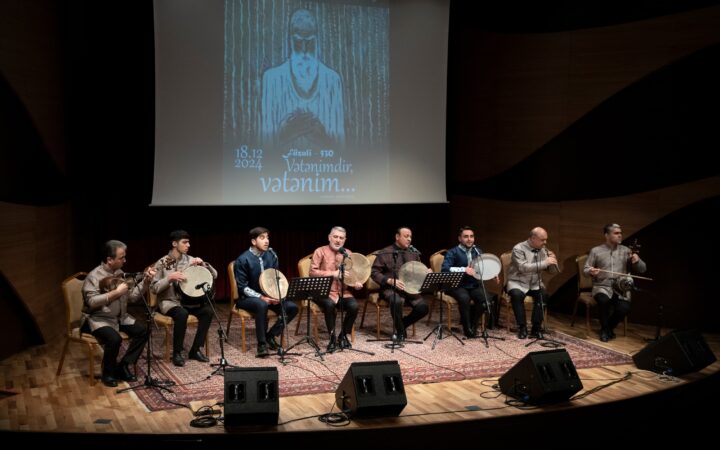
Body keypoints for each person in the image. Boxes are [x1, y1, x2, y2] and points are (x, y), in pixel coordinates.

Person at [261, 8, 345, 150]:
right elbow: (264, 148)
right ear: (290, 40)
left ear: (317, 40)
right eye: (299, 43)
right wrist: (287, 132)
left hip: (325, 171)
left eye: (310, 43)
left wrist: (321, 137)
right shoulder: (271, 80)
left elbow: (342, 151)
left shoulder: (333, 81)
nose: (305, 50)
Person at [81, 240, 154, 387]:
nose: (125, 260)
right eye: (121, 258)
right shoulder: (94, 276)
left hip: (120, 318)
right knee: (114, 339)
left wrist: (145, 282)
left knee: (143, 331)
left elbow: (132, 297)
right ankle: (108, 373)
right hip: (98, 319)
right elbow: (92, 302)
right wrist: (116, 292)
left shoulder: (120, 274)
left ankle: (123, 366)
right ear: (109, 259)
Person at [150, 230, 215, 367]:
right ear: (174, 243)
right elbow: (154, 288)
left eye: (188, 242)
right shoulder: (162, 262)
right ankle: (177, 353)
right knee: (181, 313)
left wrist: (204, 265)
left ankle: (195, 350)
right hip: (170, 302)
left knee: (208, 311)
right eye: (184, 242)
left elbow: (214, 275)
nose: (188, 245)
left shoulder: (191, 260)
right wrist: (169, 278)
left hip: (189, 301)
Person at [234, 227, 299, 357]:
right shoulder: (243, 259)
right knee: (261, 305)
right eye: (262, 238)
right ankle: (262, 344)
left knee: (292, 307)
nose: (266, 241)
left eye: (267, 237)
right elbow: (242, 287)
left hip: (269, 296)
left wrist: (276, 295)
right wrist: (261, 297)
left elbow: (275, 278)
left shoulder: (272, 255)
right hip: (247, 298)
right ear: (253, 241)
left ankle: (271, 335)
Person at [584, 223, 647, 342]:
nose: (620, 235)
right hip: (602, 286)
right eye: (616, 233)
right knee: (603, 301)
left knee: (624, 308)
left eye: (620, 233)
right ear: (607, 235)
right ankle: (604, 330)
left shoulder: (627, 251)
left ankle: (608, 329)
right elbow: (585, 270)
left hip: (620, 288)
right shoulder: (596, 251)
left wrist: (637, 261)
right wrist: (591, 271)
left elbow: (643, 269)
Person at [370, 227, 430, 341]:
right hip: (390, 289)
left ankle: (401, 324)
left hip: (409, 289)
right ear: (397, 237)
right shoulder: (385, 252)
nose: (409, 239)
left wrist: (425, 272)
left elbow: (418, 271)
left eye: (410, 237)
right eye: (406, 236)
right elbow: (374, 272)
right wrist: (389, 281)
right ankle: (401, 332)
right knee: (396, 301)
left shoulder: (413, 253)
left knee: (423, 308)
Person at [309, 226, 362, 352]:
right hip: (322, 291)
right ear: (329, 237)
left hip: (342, 292)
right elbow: (312, 272)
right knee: (329, 305)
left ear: (345, 240)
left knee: (354, 306)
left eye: (341, 238)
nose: (338, 240)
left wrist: (356, 283)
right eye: (335, 237)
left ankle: (342, 336)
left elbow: (352, 274)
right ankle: (332, 338)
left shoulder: (348, 254)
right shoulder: (320, 251)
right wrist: (333, 273)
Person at [441, 226, 499, 339]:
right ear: (459, 239)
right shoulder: (452, 252)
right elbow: (445, 270)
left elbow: (481, 268)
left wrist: (492, 275)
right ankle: (467, 329)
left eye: (471, 236)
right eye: (466, 236)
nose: (469, 239)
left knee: (486, 301)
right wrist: (464, 269)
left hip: (472, 284)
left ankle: (473, 324)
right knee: (464, 299)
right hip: (456, 285)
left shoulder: (477, 251)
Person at [506, 227, 559, 339]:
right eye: (542, 240)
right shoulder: (518, 248)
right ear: (533, 238)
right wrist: (545, 263)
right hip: (517, 282)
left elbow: (551, 272)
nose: (545, 242)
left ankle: (536, 328)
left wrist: (553, 261)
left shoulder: (543, 249)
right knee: (516, 295)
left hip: (535, 283)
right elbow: (523, 267)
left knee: (543, 296)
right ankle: (522, 327)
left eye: (546, 240)